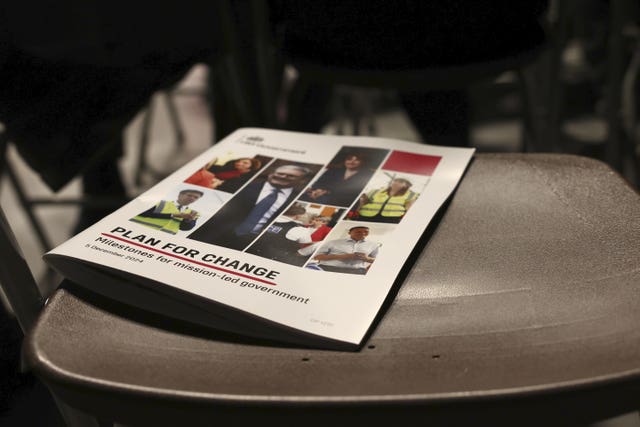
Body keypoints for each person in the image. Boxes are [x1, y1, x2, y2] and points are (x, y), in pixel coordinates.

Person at [188, 164, 313, 250]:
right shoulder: (242, 185)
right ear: (271, 174)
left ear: (301, 181)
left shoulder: (299, 198)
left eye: (291, 176)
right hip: (217, 234)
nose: (283, 177)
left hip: (256, 243)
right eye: (280, 173)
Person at [300, 152, 375, 207]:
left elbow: (355, 192)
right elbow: (318, 183)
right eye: (349, 159)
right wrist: (319, 190)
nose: (351, 162)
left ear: (362, 162)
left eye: (356, 160)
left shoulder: (368, 174)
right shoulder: (333, 170)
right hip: (321, 196)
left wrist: (327, 191)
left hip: (343, 201)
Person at [246, 204, 310, 266]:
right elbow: (305, 243)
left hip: (249, 251)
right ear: (298, 216)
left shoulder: (264, 218)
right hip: (273, 260)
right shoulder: (300, 229)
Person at [130, 189, 203, 234]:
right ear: (180, 195)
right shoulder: (159, 202)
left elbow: (184, 228)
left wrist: (188, 221)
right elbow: (142, 213)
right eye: (190, 195)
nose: (192, 198)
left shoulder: (193, 212)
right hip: (138, 231)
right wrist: (172, 215)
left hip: (162, 238)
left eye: (196, 197)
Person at [312, 226, 379, 274]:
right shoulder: (333, 242)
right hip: (328, 269)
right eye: (358, 231)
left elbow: (377, 261)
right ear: (349, 232)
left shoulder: (374, 245)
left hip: (357, 272)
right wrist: (344, 256)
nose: (363, 233)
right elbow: (317, 257)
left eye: (366, 232)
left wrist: (366, 258)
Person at [185, 157, 263, 192]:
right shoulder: (228, 168)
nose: (239, 163)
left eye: (245, 163)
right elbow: (211, 167)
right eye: (239, 161)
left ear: (250, 168)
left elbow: (227, 188)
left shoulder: (242, 180)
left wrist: (217, 181)